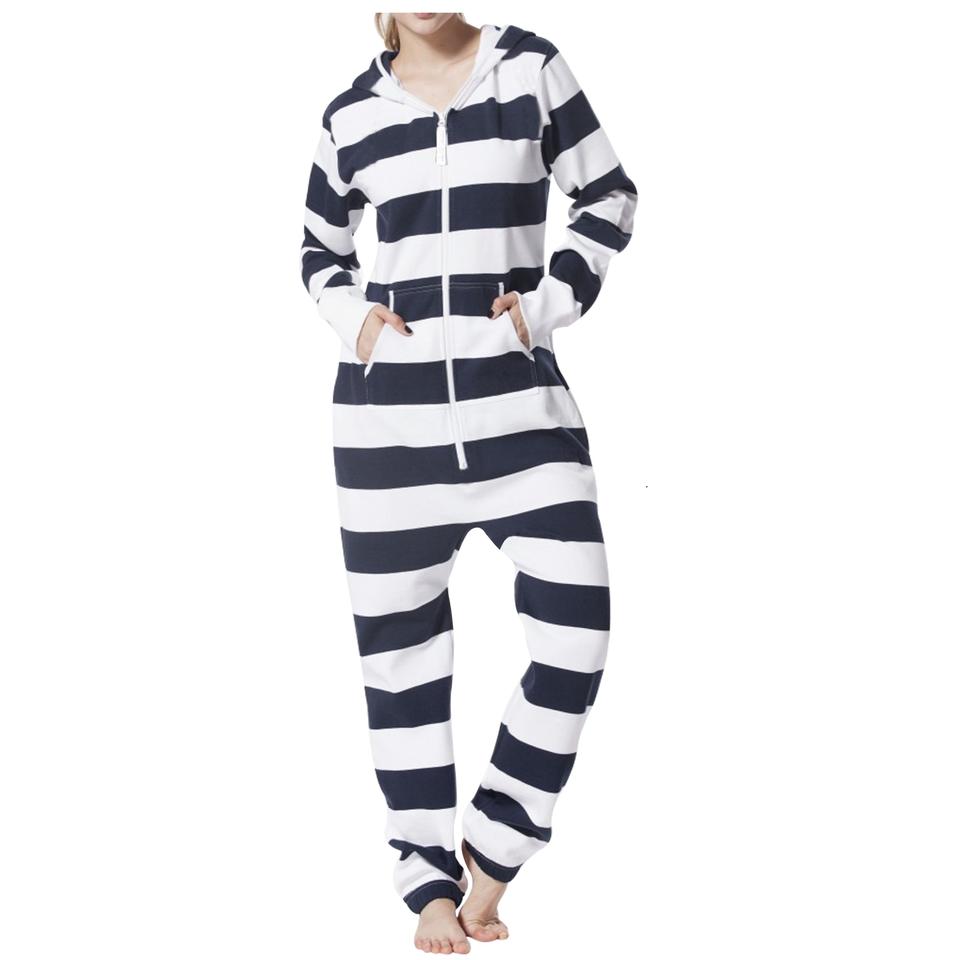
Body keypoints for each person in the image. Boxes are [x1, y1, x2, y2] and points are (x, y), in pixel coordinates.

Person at [300, 12, 636, 954]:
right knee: (400, 665)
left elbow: (608, 192)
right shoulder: (350, 115)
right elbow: (318, 248)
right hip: (386, 433)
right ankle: (426, 882)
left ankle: (492, 854)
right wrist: (354, 320)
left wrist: (547, 304)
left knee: (576, 635)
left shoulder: (530, 69)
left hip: (521, 415)